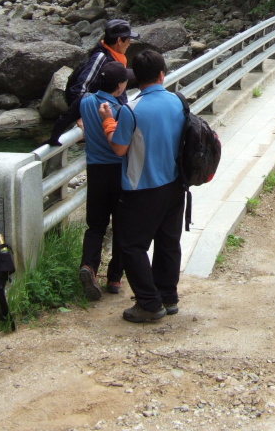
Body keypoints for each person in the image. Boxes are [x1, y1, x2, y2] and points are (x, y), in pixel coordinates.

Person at [99, 50, 186, 323]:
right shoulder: (177, 101)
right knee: (168, 242)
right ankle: (168, 297)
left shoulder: (131, 110)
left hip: (142, 188)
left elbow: (119, 148)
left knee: (131, 246)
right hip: (175, 183)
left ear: (135, 78)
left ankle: (149, 303)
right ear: (163, 74)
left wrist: (108, 121)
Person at [76, 61, 132, 301]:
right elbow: (122, 143)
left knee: (95, 226)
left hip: (96, 170)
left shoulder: (86, 102)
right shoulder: (121, 111)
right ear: (119, 87)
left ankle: (89, 267)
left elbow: (82, 122)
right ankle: (115, 278)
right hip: (119, 172)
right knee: (122, 226)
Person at [46, 19, 140, 145]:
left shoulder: (115, 56)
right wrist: (81, 117)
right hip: (102, 113)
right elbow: (80, 87)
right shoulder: (101, 57)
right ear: (119, 41)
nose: (129, 44)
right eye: (128, 39)